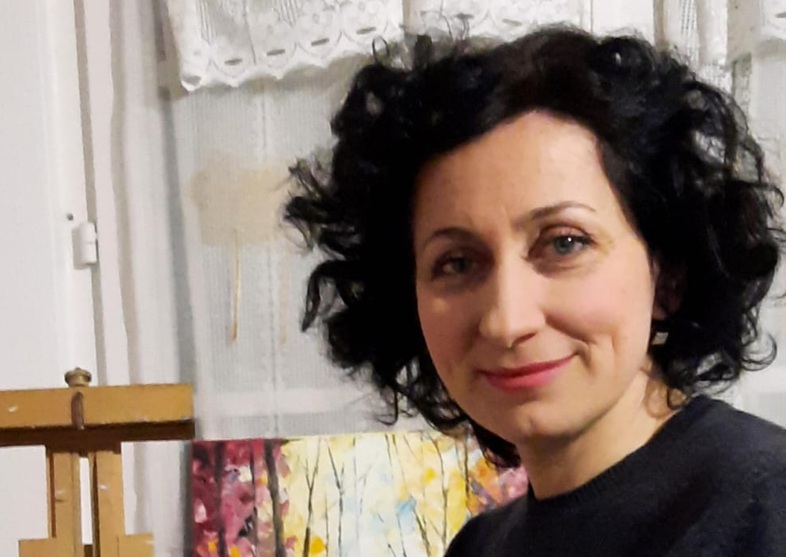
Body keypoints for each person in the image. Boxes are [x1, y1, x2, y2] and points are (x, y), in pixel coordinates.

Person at [283, 25, 786, 556]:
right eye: (457, 262)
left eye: (564, 243)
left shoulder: (765, 505)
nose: (507, 320)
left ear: (668, 276)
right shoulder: (478, 547)